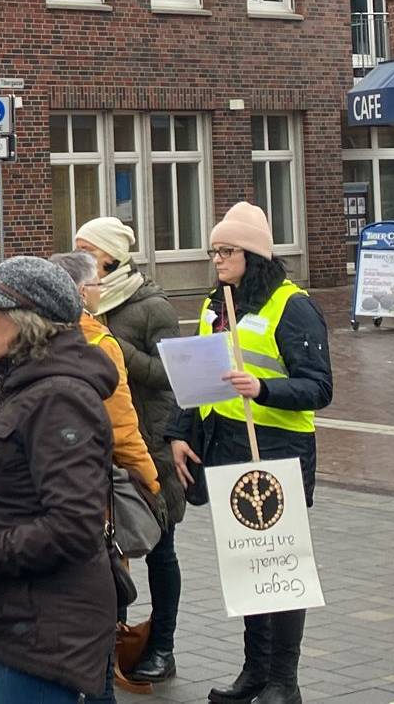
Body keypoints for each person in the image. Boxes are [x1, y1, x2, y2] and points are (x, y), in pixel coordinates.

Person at [0, 256, 118, 703]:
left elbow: (74, 525)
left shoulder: (59, 398)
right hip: (21, 614)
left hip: (47, 627)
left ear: (27, 322)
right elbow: (29, 484)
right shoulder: (19, 381)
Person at [168, 203, 330, 704]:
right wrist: (180, 433)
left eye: (228, 250)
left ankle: (285, 680)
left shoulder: (291, 306)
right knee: (248, 566)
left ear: (253, 255)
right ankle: (255, 673)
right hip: (230, 450)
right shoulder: (216, 305)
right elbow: (196, 380)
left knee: (281, 568)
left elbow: (318, 388)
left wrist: (262, 387)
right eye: (214, 250)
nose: (217, 259)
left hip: (279, 453)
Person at [75, 217, 185, 687]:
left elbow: (170, 373)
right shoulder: (81, 305)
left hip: (151, 444)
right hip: (108, 448)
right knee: (110, 547)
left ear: (111, 258)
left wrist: (113, 348)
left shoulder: (151, 305)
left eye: (87, 251)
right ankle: (114, 641)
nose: (80, 258)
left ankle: (162, 645)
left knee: (160, 547)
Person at [48, 251, 162, 495]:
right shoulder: (100, 342)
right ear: (82, 292)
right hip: (95, 476)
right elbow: (121, 425)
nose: (101, 289)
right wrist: (150, 482)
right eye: (97, 284)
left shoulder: (34, 336)